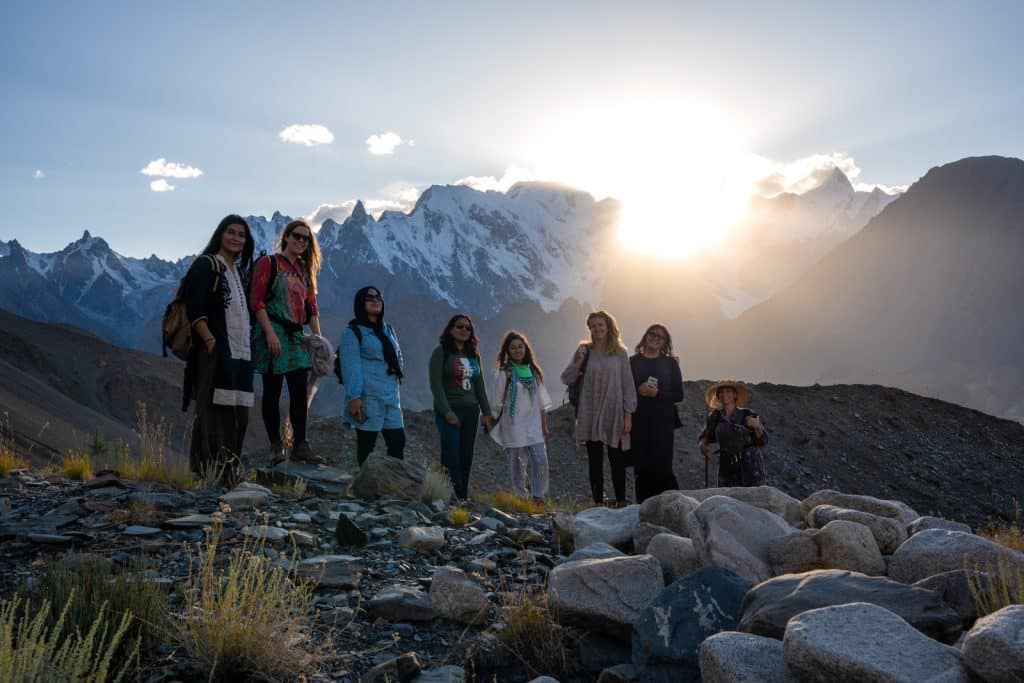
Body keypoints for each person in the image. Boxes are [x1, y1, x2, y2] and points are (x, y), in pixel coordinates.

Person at [182, 214, 255, 484]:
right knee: (212, 412)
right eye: (230, 232)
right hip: (216, 350)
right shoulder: (206, 265)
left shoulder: (239, 272)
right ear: (220, 234)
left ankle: (229, 469)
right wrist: (211, 342)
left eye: (241, 235)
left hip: (242, 352)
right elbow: (195, 307)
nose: (235, 238)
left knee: (238, 413)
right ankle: (208, 472)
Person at [250, 219, 323, 463]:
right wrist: (269, 333)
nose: (301, 241)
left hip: (296, 337)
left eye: (306, 238)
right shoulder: (268, 263)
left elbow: (311, 308)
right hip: (272, 331)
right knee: (272, 390)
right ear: (286, 237)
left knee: (299, 392)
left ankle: (300, 444)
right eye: (297, 236)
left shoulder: (304, 271)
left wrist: (318, 339)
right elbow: (257, 301)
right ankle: (275, 446)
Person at [561, 310, 637, 507]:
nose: (597, 328)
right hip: (590, 410)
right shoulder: (584, 350)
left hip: (614, 411)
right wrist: (579, 359)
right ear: (590, 329)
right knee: (594, 459)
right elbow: (567, 378)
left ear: (608, 326)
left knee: (616, 458)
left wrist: (628, 414)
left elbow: (628, 384)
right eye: (593, 326)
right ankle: (597, 501)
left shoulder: (621, 353)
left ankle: (620, 500)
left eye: (600, 324)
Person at [429, 314, 493, 503]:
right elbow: (435, 385)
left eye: (468, 328)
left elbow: (480, 386)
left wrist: (486, 413)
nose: (464, 330)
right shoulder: (441, 352)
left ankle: (462, 496)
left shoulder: (474, 355)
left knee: (466, 453)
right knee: (450, 449)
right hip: (450, 408)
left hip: (471, 411)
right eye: (459, 326)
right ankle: (448, 493)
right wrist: (446, 411)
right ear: (450, 329)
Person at [341, 286, 406, 466]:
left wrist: (396, 372)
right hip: (368, 397)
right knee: (367, 444)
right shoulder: (353, 332)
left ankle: (394, 485)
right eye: (369, 297)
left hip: (391, 396)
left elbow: (398, 355)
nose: (375, 300)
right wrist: (354, 397)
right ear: (360, 303)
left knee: (397, 441)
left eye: (378, 296)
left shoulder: (388, 330)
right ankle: (364, 487)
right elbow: (350, 366)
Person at [488, 330, 552, 504]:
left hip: (534, 424)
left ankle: (538, 495)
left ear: (526, 349)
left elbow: (541, 402)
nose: (517, 350)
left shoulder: (533, 372)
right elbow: (496, 400)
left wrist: (544, 424)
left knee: (540, 460)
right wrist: (493, 419)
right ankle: (520, 497)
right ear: (507, 352)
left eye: (520, 346)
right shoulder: (503, 373)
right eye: (513, 348)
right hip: (513, 424)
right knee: (517, 463)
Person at [629, 323, 684, 502]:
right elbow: (625, 389)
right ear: (645, 336)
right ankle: (643, 509)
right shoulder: (633, 362)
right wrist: (639, 390)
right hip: (639, 421)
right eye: (652, 333)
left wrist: (657, 393)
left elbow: (679, 394)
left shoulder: (670, 363)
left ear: (664, 342)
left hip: (663, 422)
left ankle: (670, 507)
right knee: (642, 467)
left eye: (660, 336)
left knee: (662, 467)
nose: (655, 337)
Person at [698, 380, 767, 487]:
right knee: (727, 501)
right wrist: (703, 444)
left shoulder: (747, 414)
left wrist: (757, 427)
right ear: (718, 396)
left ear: (735, 394)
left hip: (749, 465)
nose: (724, 394)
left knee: (753, 500)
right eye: (721, 392)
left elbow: (763, 441)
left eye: (728, 391)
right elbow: (706, 435)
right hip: (727, 466)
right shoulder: (715, 416)